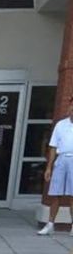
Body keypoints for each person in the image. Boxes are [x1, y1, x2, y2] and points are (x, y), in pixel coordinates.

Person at [38, 95, 73, 235]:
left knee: (72, 195)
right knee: (55, 193)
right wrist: (49, 167)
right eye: (72, 106)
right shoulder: (61, 125)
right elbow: (53, 147)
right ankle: (50, 223)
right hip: (61, 159)